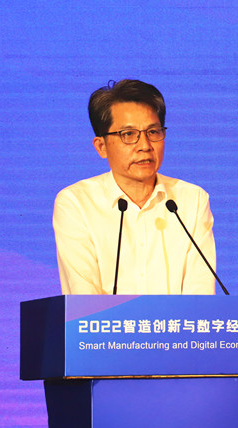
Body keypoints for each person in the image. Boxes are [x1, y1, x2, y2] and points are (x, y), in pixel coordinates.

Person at [52, 79, 216, 296]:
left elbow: (201, 297)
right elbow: (84, 299)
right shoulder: (76, 203)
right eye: (128, 135)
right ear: (101, 146)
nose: (145, 146)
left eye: (153, 132)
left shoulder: (191, 200)